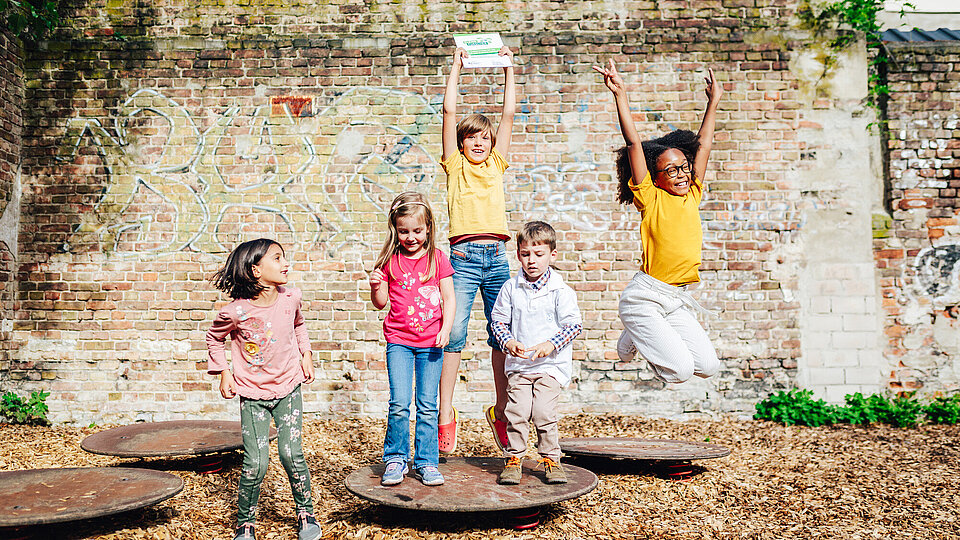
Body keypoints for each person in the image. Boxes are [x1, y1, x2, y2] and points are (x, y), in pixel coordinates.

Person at [593, 59, 723, 384]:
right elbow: (634, 144)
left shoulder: (693, 192)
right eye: (671, 170)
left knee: (708, 367)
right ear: (656, 176)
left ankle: (638, 333)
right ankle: (638, 328)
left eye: (684, 167)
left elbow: (703, 144)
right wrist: (620, 95)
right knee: (679, 372)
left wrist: (714, 101)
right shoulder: (650, 198)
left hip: (676, 298)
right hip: (647, 296)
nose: (681, 174)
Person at [205, 238, 321, 540]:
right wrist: (223, 372)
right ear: (256, 270)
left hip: (289, 388)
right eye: (277, 258)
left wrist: (306, 354)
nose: (286, 264)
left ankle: (306, 514)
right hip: (252, 394)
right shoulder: (234, 312)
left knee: (290, 454)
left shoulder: (291, 297)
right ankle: (245, 523)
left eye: (284, 258)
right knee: (256, 461)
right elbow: (214, 338)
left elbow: (299, 324)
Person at [438, 44, 517, 454]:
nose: (479, 142)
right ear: (462, 143)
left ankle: (501, 414)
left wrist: (508, 68)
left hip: (497, 259)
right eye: (471, 137)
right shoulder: (455, 166)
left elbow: (508, 115)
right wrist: (456, 67)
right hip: (464, 260)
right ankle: (445, 414)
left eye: (484, 137)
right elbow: (448, 114)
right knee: (452, 335)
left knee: (501, 337)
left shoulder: (497, 163)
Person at [368, 191, 455, 486]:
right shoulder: (390, 261)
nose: (411, 237)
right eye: (404, 231)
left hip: (432, 343)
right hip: (399, 342)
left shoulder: (437, 258)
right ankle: (395, 458)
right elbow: (380, 303)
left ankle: (427, 462)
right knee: (400, 403)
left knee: (428, 405)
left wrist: (446, 329)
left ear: (428, 227)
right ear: (395, 229)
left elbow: (449, 298)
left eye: (417, 231)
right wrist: (375, 285)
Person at [490, 221, 582, 485]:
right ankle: (514, 458)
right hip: (520, 366)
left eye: (538, 254)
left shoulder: (561, 291)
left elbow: (573, 325)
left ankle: (551, 459)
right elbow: (498, 322)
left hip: (550, 366)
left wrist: (550, 344)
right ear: (518, 254)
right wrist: (508, 342)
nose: (531, 261)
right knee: (516, 412)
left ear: (552, 255)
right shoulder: (511, 288)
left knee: (542, 412)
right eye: (525, 254)